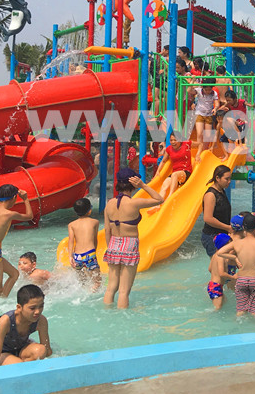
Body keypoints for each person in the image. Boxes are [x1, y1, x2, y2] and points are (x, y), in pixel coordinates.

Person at [103, 168, 164, 309]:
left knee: (110, 288)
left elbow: (107, 230)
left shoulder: (109, 204)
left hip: (113, 244)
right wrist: (143, 185)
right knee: (124, 291)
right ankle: (122, 318)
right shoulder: (134, 203)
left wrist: (110, 249)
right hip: (129, 245)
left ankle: (106, 314)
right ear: (132, 183)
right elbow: (160, 199)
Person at [0, 184, 32, 301]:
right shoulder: (9, 214)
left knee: (14, 274)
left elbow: (1, 202)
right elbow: (29, 216)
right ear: (14, 197)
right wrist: (25, 199)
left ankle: (1, 301)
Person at [0, 284, 51, 367]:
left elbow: (47, 351)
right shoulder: (5, 321)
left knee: (41, 350)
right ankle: (18, 365)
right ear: (19, 307)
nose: (37, 311)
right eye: (32, 308)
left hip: (19, 349)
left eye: (41, 306)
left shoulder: (41, 320)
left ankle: (19, 365)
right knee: (19, 365)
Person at [215, 213, 255, 316]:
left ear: (244, 229)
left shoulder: (236, 243)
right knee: (254, 311)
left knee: (240, 311)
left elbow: (220, 253)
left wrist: (234, 258)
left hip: (241, 280)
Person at [151, 132, 193, 211]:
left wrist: (198, 154)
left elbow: (200, 144)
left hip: (185, 172)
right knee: (164, 185)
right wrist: (157, 172)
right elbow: (163, 161)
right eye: (171, 140)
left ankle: (170, 196)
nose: (173, 142)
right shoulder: (169, 149)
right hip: (175, 174)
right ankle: (157, 204)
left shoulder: (186, 144)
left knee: (174, 175)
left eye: (175, 140)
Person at [67, 198, 101, 291]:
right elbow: (95, 239)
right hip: (90, 254)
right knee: (97, 282)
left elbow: (71, 241)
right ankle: (91, 293)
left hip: (77, 256)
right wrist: (94, 254)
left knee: (82, 282)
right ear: (89, 210)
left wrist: (70, 256)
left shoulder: (71, 225)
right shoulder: (95, 222)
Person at [201, 164, 233, 257]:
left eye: (230, 178)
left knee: (224, 263)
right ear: (217, 178)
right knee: (218, 263)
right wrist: (227, 227)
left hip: (221, 233)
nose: (229, 181)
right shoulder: (211, 195)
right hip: (211, 235)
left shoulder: (221, 191)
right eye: (226, 179)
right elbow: (208, 218)